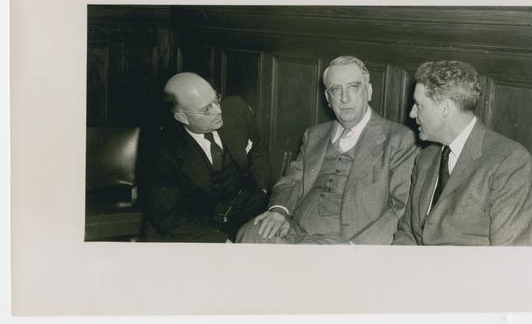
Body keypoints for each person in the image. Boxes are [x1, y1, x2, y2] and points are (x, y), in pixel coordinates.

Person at [237, 56, 418, 245]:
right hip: (294, 228)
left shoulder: (398, 138)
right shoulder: (314, 135)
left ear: (369, 91)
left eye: (353, 87)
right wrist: (279, 211)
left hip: (349, 239)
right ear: (327, 98)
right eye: (336, 89)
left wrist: (355, 249)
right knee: (252, 233)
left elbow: (400, 207)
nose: (345, 98)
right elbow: (292, 181)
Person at [393, 60, 532, 246]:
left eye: (419, 105)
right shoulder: (426, 158)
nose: (411, 113)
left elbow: (509, 256)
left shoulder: (510, 162)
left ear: (445, 108)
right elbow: (407, 232)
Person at [140, 72, 271, 242]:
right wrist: (219, 241)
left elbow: (258, 149)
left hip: (241, 216)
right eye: (206, 109)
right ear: (182, 117)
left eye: (216, 99)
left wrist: (261, 189)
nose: (218, 110)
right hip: (190, 231)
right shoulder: (161, 151)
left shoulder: (237, 111)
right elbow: (168, 217)